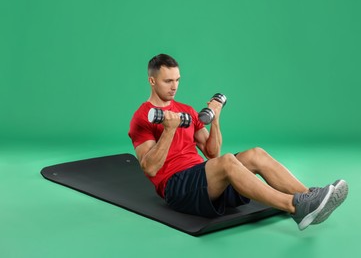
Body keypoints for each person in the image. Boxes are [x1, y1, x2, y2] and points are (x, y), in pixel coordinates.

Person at [128, 53, 348, 230]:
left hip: (204, 178)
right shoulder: (142, 116)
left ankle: (311, 198)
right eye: (168, 81)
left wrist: (215, 120)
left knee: (256, 154)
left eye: (177, 80)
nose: (174, 86)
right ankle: (295, 207)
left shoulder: (186, 110)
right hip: (177, 187)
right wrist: (168, 130)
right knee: (227, 162)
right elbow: (150, 168)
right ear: (152, 80)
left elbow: (211, 152)